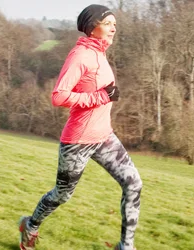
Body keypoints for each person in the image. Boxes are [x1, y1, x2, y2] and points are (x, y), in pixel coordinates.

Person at [17, 4, 142, 250]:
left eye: (114, 24)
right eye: (107, 23)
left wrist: (105, 95)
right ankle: (30, 225)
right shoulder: (80, 56)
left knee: (133, 183)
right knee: (62, 194)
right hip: (78, 141)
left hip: (104, 136)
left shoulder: (99, 53)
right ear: (92, 27)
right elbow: (59, 96)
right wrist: (100, 96)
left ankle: (126, 246)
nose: (113, 28)